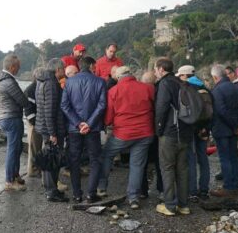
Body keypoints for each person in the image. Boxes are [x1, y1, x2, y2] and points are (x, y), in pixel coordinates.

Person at [98, 66, 154, 209]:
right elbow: (155, 108)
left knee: (106, 155)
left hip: (123, 134)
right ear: (132, 74)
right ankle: (133, 198)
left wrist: (105, 124)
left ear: (117, 77)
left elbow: (109, 118)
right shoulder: (147, 88)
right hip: (145, 133)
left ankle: (102, 187)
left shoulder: (113, 91)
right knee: (137, 164)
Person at [61, 56, 107, 203]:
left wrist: (78, 123)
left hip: (74, 129)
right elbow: (102, 105)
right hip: (92, 129)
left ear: (80, 66)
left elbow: (65, 106)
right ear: (92, 65)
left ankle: (76, 194)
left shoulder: (69, 82)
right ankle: (91, 194)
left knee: (74, 160)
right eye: (95, 66)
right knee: (95, 160)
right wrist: (89, 124)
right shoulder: (100, 81)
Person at [154, 58, 193, 216]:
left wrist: (158, 130)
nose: (156, 72)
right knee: (182, 170)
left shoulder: (165, 84)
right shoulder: (181, 82)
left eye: (156, 69)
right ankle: (184, 205)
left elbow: (161, 108)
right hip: (185, 132)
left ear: (161, 69)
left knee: (167, 168)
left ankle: (170, 205)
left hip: (170, 133)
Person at [0, 54, 29, 191]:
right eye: (18, 67)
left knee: (17, 148)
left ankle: (15, 175)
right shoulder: (9, 82)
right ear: (12, 67)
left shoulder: (0, 80)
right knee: (13, 150)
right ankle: (9, 181)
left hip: (4, 117)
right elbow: (22, 101)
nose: (19, 69)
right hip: (12, 118)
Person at [35, 58, 69, 202]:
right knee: (51, 160)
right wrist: (53, 133)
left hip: (44, 126)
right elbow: (50, 111)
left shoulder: (41, 81)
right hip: (51, 129)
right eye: (63, 69)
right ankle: (52, 192)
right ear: (58, 70)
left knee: (50, 159)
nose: (64, 71)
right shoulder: (52, 85)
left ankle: (52, 189)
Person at [176, 65, 212, 201]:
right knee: (203, 159)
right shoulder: (205, 88)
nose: (179, 79)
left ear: (185, 76)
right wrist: (207, 128)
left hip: (190, 129)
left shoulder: (186, 89)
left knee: (190, 159)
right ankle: (204, 190)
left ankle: (192, 191)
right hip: (204, 129)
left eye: (180, 76)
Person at [209, 64, 238, 198]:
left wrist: (235, 125)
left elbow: (221, 111)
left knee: (225, 158)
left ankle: (229, 187)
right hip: (234, 130)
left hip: (223, 129)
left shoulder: (217, 91)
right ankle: (236, 185)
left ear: (215, 77)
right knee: (234, 156)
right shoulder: (236, 88)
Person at [140, 70, 163, 198]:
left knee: (141, 162)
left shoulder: (140, 92)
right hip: (157, 132)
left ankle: (143, 190)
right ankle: (161, 189)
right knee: (160, 163)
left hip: (143, 131)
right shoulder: (159, 91)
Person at [23, 69, 43, 177]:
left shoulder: (36, 88)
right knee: (34, 147)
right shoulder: (30, 90)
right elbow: (28, 109)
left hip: (37, 122)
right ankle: (34, 170)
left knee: (37, 147)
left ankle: (36, 168)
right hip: (34, 123)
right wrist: (34, 122)